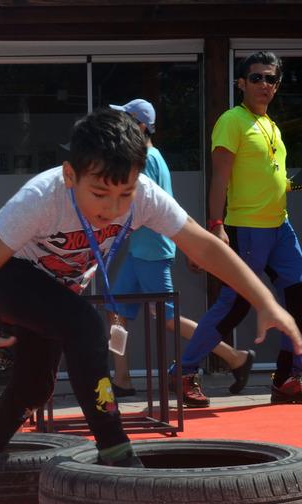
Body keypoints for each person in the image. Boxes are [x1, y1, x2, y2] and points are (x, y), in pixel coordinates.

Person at [0, 107, 302, 468]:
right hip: (13, 276)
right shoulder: (41, 197)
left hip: (62, 291)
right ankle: (115, 448)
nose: (112, 208)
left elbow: (203, 245)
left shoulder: (144, 195)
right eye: (99, 194)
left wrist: (264, 300)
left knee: (35, 387)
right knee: (87, 326)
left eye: (125, 194)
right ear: (69, 175)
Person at [176, 51, 302, 408]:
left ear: (277, 86)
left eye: (271, 79)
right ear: (241, 83)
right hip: (245, 228)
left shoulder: (271, 126)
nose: (264, 84)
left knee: (301, 300)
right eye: (257, 77)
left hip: (280, 227)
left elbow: (272, 179)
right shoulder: (232, 120)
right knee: (235, 306)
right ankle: (183, 372)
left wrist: (299, 187)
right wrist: (216, 225)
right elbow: (220, 179)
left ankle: (287, 379)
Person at [102, 99, 255, 399]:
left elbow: (153, 208)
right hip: (139, 250)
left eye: (125, 120)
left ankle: (236, 357)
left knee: (168, 319)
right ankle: (121, 378)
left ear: (140, 126)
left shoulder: (148, 159)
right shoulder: (147, 155)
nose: (119, 125)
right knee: (115, 312)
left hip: (153, 251)